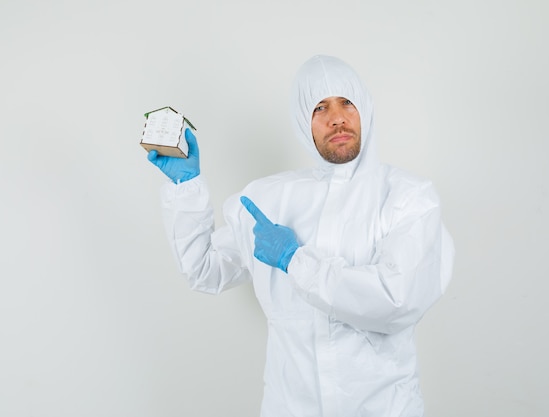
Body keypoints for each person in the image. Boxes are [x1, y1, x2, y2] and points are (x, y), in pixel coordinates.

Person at [147, 55, 455, 417]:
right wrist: (187, 187)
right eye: (320, 107)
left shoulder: (408, 197)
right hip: (291, 406)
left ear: (365, 110)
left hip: (383, 407)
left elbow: (396, 299)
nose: (336, 117)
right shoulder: (270, 199)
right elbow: (204, 270)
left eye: (347, 103)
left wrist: (295, 260)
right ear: (301, 121)